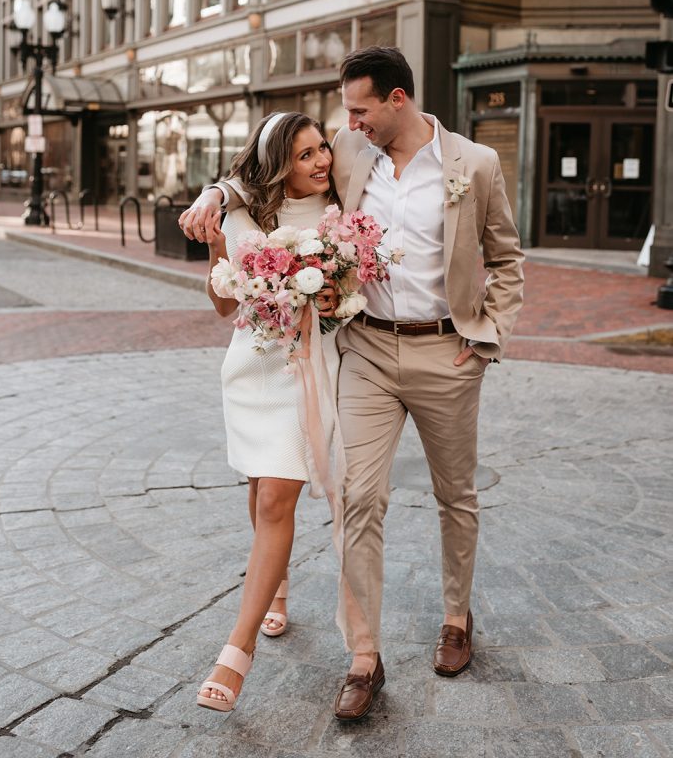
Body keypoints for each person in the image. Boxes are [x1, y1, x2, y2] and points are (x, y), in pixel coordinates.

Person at [181, 46, 524, 721]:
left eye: (360, 108)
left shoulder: (474, 165)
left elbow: (507, 258)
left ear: (398, 99)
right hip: (365, 351)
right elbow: (262, 174)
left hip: (446, 352)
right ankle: (364, 659)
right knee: (359, 499)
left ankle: (457, 617)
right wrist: (214, 195)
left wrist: (488, 337)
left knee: (456, 494)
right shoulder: (349, 150)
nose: (349, 122)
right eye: (345, 113)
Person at [196, 111, 340, 713]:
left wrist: (332, 294)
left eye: (322, 149)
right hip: (250, 367)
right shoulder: (239, 215)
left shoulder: (340, 216)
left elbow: (345, 298)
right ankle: (276, 588)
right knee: (262, 489)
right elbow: (224, 306)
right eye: (305, 155)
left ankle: (237, 650)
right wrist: (216, 255)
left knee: (279, 496)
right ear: (280, 162)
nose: (321, 162)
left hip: (306, 370)